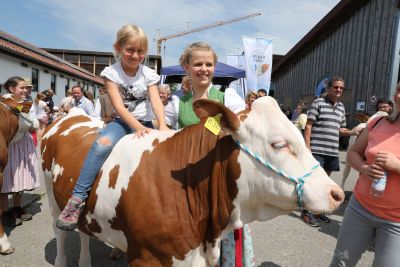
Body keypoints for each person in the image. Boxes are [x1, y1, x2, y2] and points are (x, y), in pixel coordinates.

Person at [56, 24, 168, 231]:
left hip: (146, 122)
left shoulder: (149, 74)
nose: (135, 55)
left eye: (140, 51)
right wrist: (136, 127)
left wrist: (162, 126)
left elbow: (156, 102)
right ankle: (77, 198)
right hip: (123, 122)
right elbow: (118, 106)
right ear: (118, 47)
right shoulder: (111, 73)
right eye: (130, 50)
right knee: (100, 145)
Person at [169, 42, 253, 266]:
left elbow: (243, 130)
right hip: (188, 180)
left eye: (208, 64)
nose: (203, 69)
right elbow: (165, 136)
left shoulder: (228, 97)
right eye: (197, 64)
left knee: (221, 241)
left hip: (221, 179)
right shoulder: (177, 101)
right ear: (186, 67)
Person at [330, 83, 400, 266]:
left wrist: (397, 165)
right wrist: (364, 169)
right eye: (399, 90)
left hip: (396, 221)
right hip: (360, 208)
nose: (399, 96)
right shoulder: (377, 122)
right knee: (341, 261)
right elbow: (353, 153)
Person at [301, 76, 360, 227]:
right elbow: (308, 125)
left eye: (341, 88)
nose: (339, 90)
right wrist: (308, 147)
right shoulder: (318, 102)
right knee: (314, 183)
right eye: (336, 87)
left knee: (325, 184)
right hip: (318, 150)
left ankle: (318, 211)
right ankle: (307, 213)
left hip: (332, 152)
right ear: (329, 89)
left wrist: (354, 132)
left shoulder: (341, 107)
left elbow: (341, 129)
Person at [0, 76, 40, 227]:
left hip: (24, 143)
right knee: (7, 179)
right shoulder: (5, 102)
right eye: (21, 88)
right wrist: (29, 119)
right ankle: (5, 212)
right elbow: (32, 123)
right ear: (11, 89)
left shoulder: (26, 102)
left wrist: (30, 118)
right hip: (10, 145)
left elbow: (34, 124)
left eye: (26, 88)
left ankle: (17, 207)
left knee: (20, 177)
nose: (25, 90)